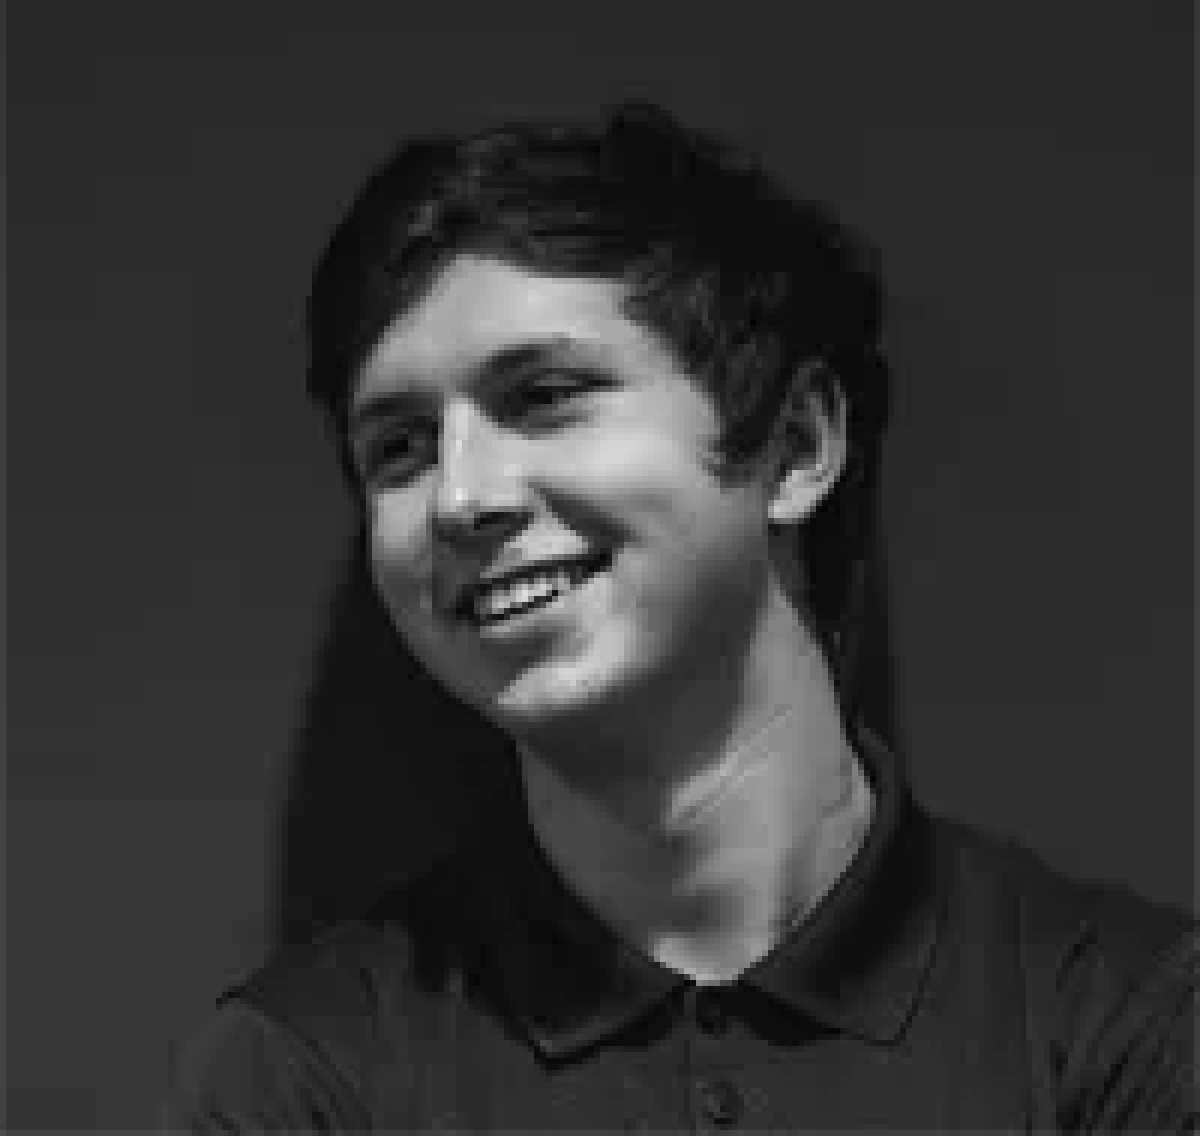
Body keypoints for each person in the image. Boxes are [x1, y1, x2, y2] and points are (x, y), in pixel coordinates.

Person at [159, 101, 1195, 1131]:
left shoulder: (1128, 1028)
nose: (461, 497)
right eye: (399, 448)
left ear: (797, 447)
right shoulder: (302, 1077)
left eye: (545, 395)